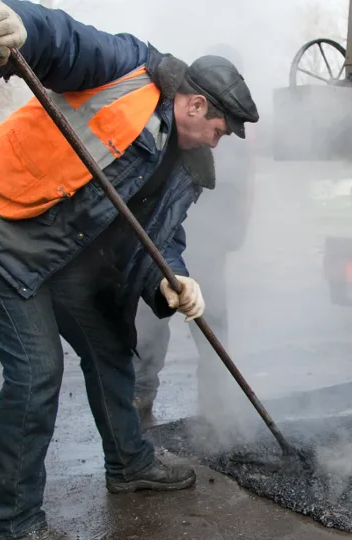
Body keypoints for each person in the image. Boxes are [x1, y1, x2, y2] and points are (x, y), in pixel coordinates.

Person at [0, 1, 258, 539]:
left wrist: (173, 281)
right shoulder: (128, 68)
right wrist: (17, 26)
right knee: (37, 374)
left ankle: (130, 464)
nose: (218, 143)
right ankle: (15, 523)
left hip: (62, 248)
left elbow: (157, 240)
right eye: (220, 130)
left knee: (110, 349)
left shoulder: (184, 169)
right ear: (196, 105)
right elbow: (63, 41)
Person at [131, 43, 256, 425]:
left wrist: (234, 233)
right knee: (152, 325)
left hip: (209, 249)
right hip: (166, 242)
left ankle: (217, 412)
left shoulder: (230, 138)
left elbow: (246, 188)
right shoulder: (183, 129)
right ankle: (139, 404)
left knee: (212, 325)